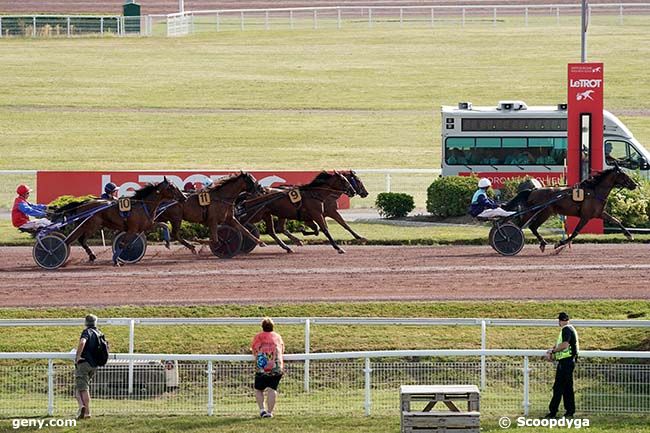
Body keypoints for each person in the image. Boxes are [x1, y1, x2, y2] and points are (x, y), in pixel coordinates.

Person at [544, 312, 579, 419]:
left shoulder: (566, 329)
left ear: (561, 320)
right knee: (567, 387)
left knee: (558, 387)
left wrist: (553, 351)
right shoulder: (570, 328)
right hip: (568, 361)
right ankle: (569, 412)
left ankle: (553, 412)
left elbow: (564, 345)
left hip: (566, 362)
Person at [251, 317, 285, 418]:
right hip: (276, 366)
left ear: (262, 327)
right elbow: (282, 349)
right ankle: (270, 412)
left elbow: (254, 350)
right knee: (272, 389)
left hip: (262, 366)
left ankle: (262, 410)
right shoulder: (277, 337)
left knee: (259, 389)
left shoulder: (258, 337)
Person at [75, 314, 105, 420]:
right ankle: (81, 408)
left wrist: (78, 356)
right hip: (94, 365)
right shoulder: (100, 333)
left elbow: (82, 342)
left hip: (84, 363)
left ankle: (85, 410)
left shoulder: (86, 332)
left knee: (83, 389)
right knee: (80, 388)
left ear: (86, 323)